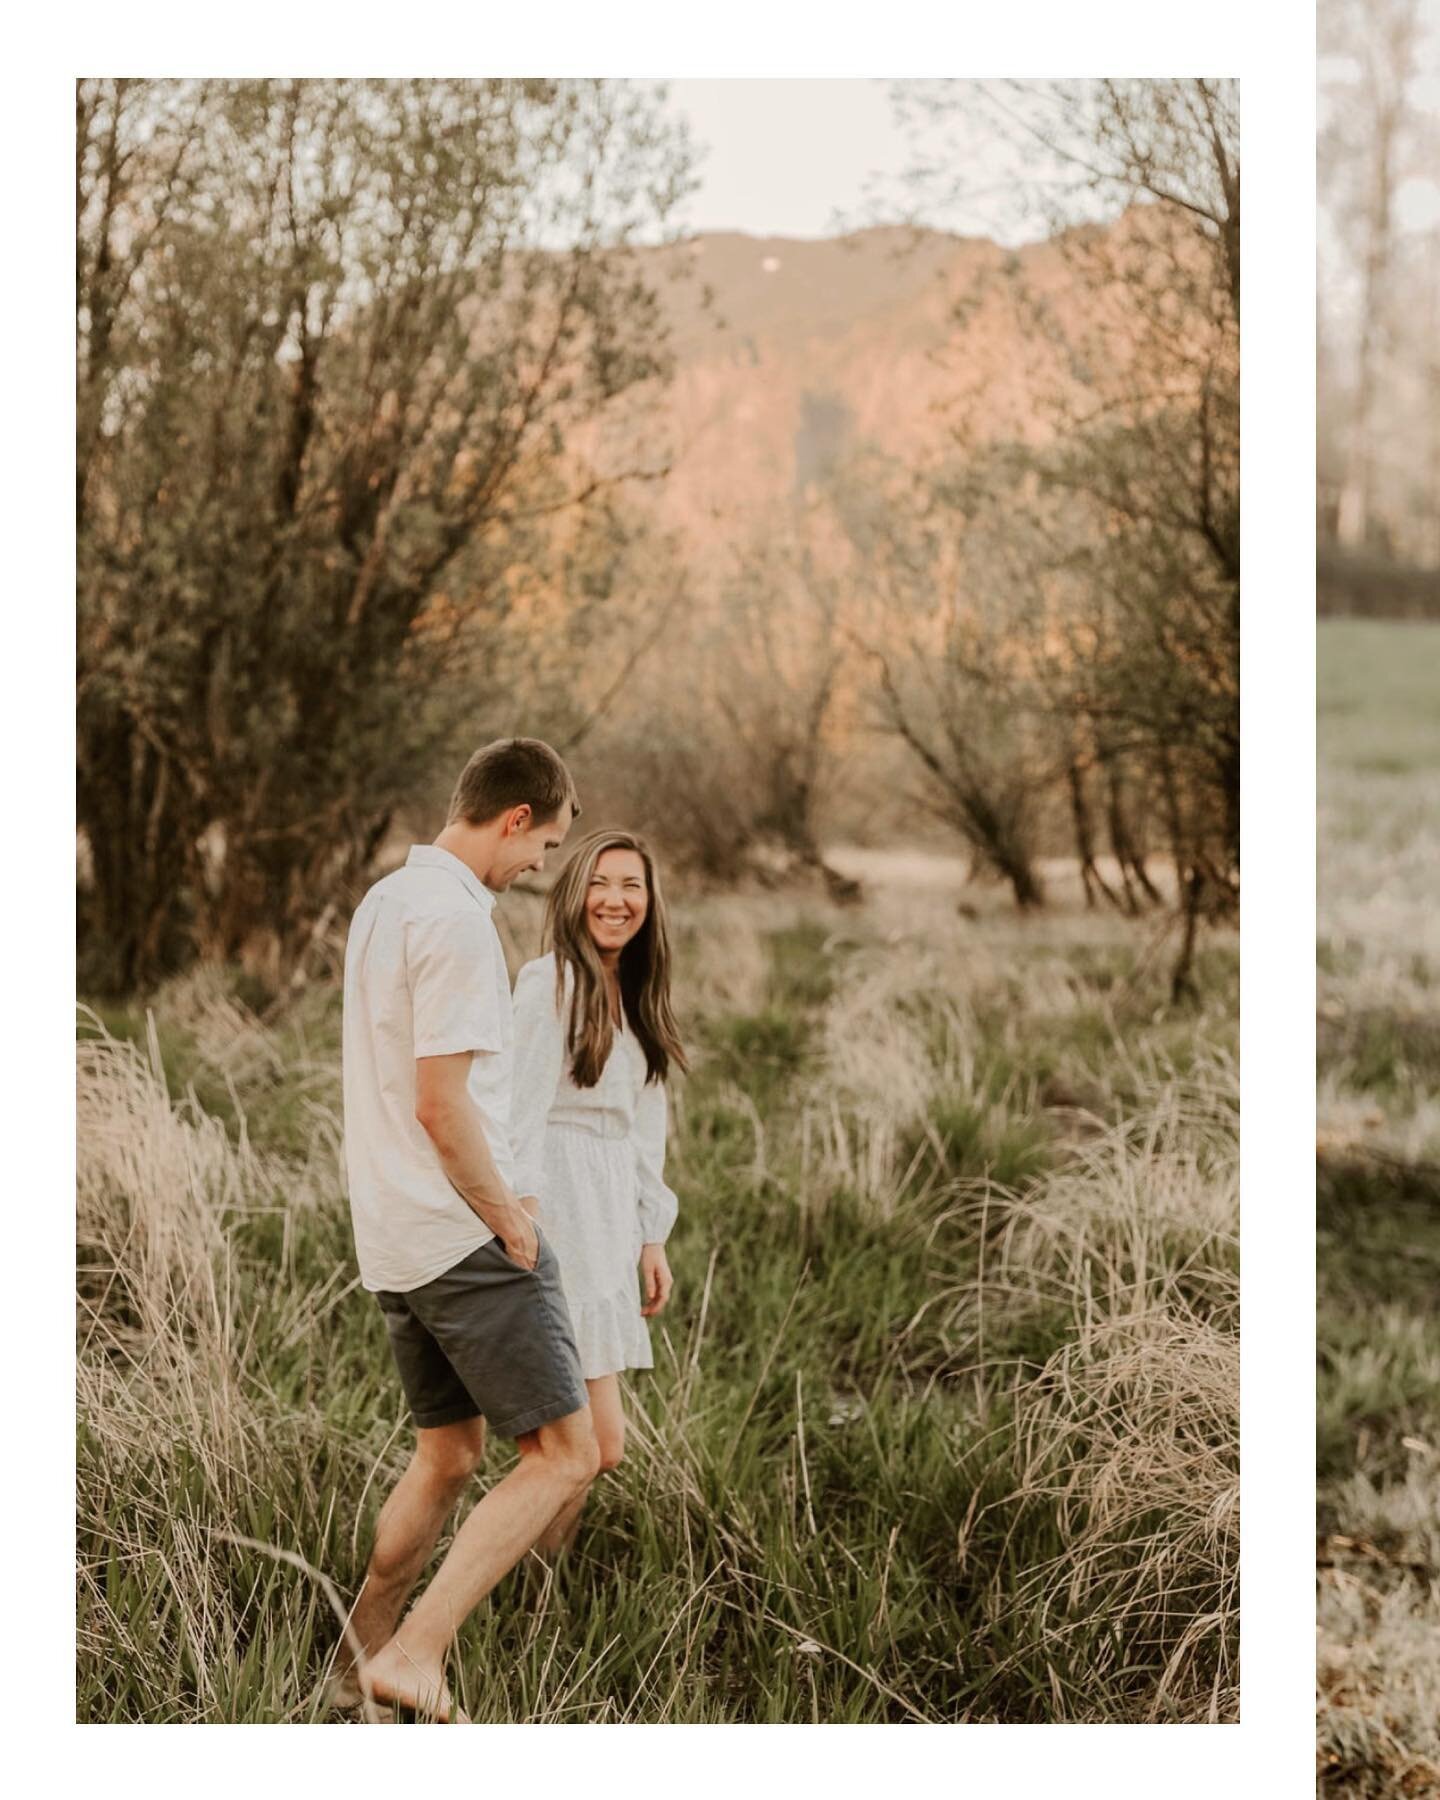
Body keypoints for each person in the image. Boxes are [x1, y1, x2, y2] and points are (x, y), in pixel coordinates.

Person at [335, 738, 599, 1722]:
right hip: (459, 1233)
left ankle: (353, 1664)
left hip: (396, 1235)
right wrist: (510, 1222)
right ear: (515, 817)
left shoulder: (385, 903)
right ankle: (417, 1655)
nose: (542, 866)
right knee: (566, 1456)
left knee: (447, 1456)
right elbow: (444, 1107)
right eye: (547, 843)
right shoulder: (454, 920)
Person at [509, 828, 689, 1555]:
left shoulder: (638, 993)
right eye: (601, 883)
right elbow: (513, 1116)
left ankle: (535, 1591)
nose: (616, 901)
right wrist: (521, 1224)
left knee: (595, 1450)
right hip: (556, 1216)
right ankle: (501, 1583)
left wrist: (652, 1236)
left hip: (610, 1222)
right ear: (574, 892)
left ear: (650, 901)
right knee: (574, 1450)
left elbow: (646, 1125)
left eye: (632, 886)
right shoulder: (547, 984)